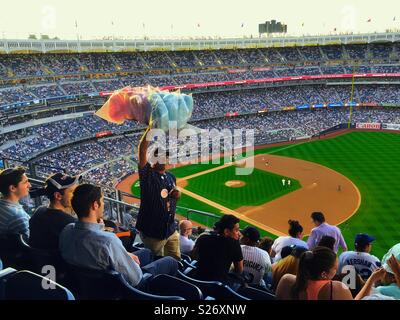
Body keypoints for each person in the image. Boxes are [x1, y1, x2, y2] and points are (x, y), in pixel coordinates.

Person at [59, 184, 178, 288]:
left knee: (146, 253)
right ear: (95, 205)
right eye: (102, 201)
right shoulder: (108, 241)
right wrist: (130, 262)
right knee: (171, 261)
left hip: (88, 285)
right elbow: (135, 278)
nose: (103, 205)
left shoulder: (66, 230)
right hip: (123, 289)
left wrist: (125, 256)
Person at [136, 126, 181, 259]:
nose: (165, 160)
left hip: (170, 230)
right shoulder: (147, 175)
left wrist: (177, 194)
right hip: (153, 232)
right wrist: (151, 129)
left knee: (176, 260)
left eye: (166, 158)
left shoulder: (171, 177)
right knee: (155, 262)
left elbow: (174, 195)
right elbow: (142, 150)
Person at [276, 246, 386, 300]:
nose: (336, 271)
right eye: (335, 268)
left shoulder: (286, 280)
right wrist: (371, 279)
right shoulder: (336, 288)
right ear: (324, 274)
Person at [29, 173, 79, 251]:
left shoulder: (39, 211)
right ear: (58, 196)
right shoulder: (70, 223)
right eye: (72, 192)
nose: (77, 195)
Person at [191, 214, 243, 286]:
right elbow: (239, 270)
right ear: (226, 231)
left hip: (196, 281)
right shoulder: (234, 244)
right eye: (237, 230)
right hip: (216, 287)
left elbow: (193, 256)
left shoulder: (204, 238)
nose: (239, 234)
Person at [0, 167, 31, 239]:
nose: (30, 185)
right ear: (12, 188)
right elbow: (31, 242)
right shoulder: (18, 217)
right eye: (25, 182)